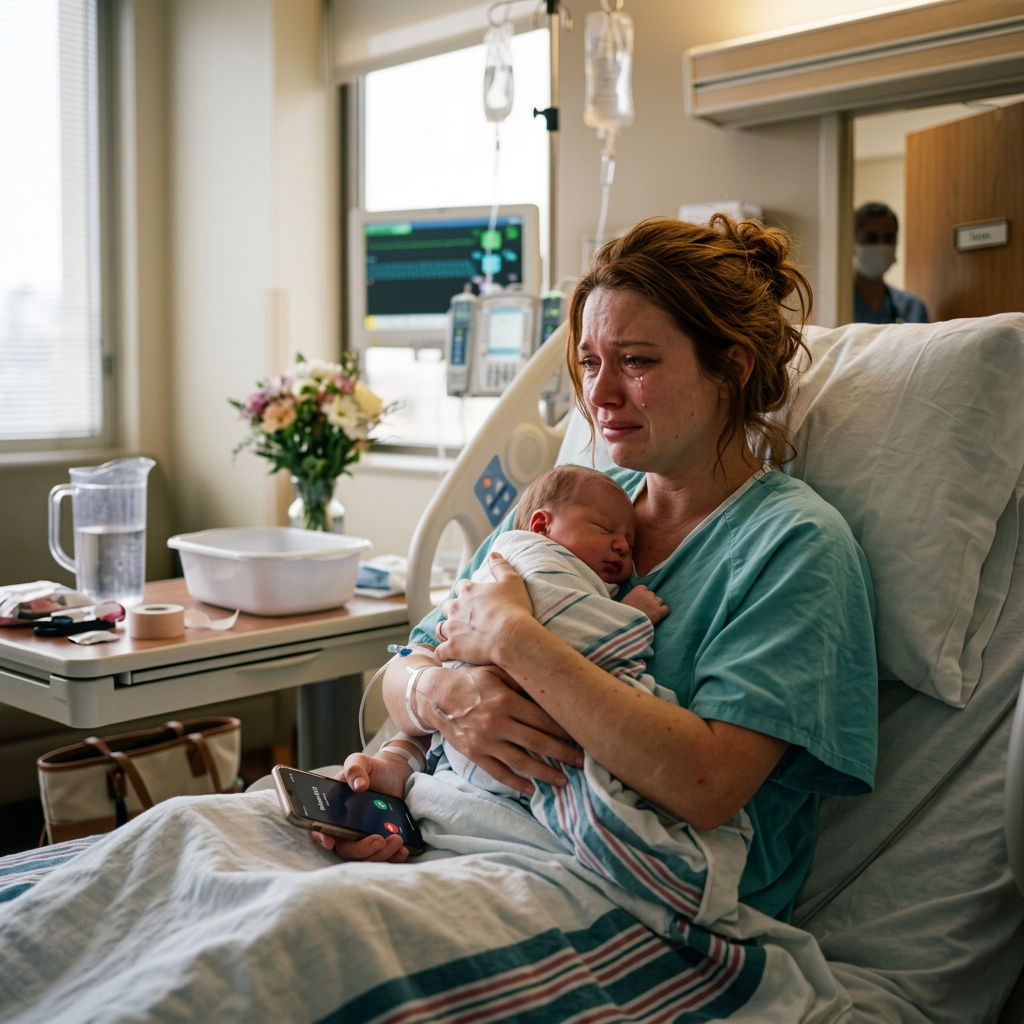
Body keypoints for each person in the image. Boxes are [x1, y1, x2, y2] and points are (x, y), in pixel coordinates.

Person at [325, 215, 879, 925]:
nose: (601, 395)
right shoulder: (568, 506)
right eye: (590, 363)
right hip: (464, 836)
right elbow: (405, 669)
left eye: (636, 361)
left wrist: (513, 640)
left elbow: (708, 785)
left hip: (644, 902)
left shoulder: (796, 546)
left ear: (733, 368)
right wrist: (439, 699)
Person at [853, 201, 929, 324]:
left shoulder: (912, 308)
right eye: (871, 238)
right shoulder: (838, 305)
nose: (881, 246)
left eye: (888, 238)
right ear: (853, 242)